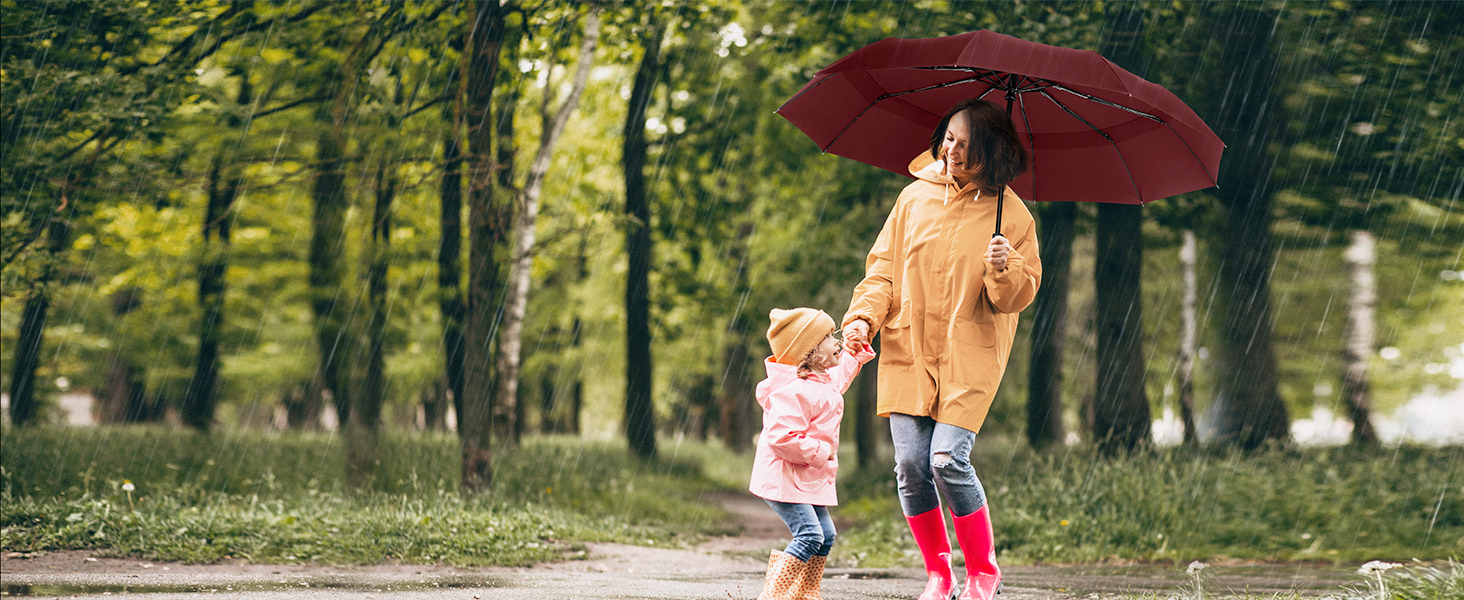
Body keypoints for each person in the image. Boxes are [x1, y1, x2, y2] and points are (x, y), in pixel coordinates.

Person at [841, 98, 1041, 600]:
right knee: (910, 466)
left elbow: (1016, 297)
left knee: (947, 459)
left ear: (992, 152)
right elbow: (883, 270)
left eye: (966, 145)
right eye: (949, 138)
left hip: (968, 353)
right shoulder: (913, 198)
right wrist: (863, 317)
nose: (951, 150)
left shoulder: (1012, 215)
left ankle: (983, 572)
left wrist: (1006, 265)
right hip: (909, 347)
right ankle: (939, 573)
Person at [750, 308, 876, 600]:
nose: (838, 342)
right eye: (829, 337)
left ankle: (805, 593)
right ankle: (773, 596)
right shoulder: (793, 391)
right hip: (783, 477)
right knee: (810, 535)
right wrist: (821, 450)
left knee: (826, 536)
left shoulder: (823, 380)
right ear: (810, 352)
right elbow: (781, 437)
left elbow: (841, 375)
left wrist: (855, 353)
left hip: (804, 477)